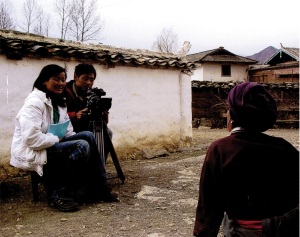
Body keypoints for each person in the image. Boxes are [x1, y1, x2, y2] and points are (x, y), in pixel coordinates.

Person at [193, 82, 299, 237]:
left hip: (244, 231)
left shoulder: (220, 150)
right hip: (287, 227)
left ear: (232, 116)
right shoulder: (285, 148)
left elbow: (209, 206)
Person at [10, 64, 118, 212]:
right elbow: (31, 139)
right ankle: (59, 194)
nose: (61, 83)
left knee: (87, 136)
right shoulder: (34, 103)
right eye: (56, 79)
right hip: (36, 149)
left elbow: (68, 131)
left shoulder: (60, 102)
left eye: (63, 80)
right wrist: (58, 139)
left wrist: (73, 141)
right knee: (81, 145)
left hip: (51, 144)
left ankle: (100, 187)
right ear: (44, 81)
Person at [64, 63, 112, 163]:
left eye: (92, 80)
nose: (89, 83)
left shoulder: (92, 94)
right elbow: (59, 116)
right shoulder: (65, 92)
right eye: (85, 78)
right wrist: (75, 115)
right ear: (75, 76)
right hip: (70, 131)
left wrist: (103, 112)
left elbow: (103, 123)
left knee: (107, 132)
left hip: (86, 127)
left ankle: (100, 167)